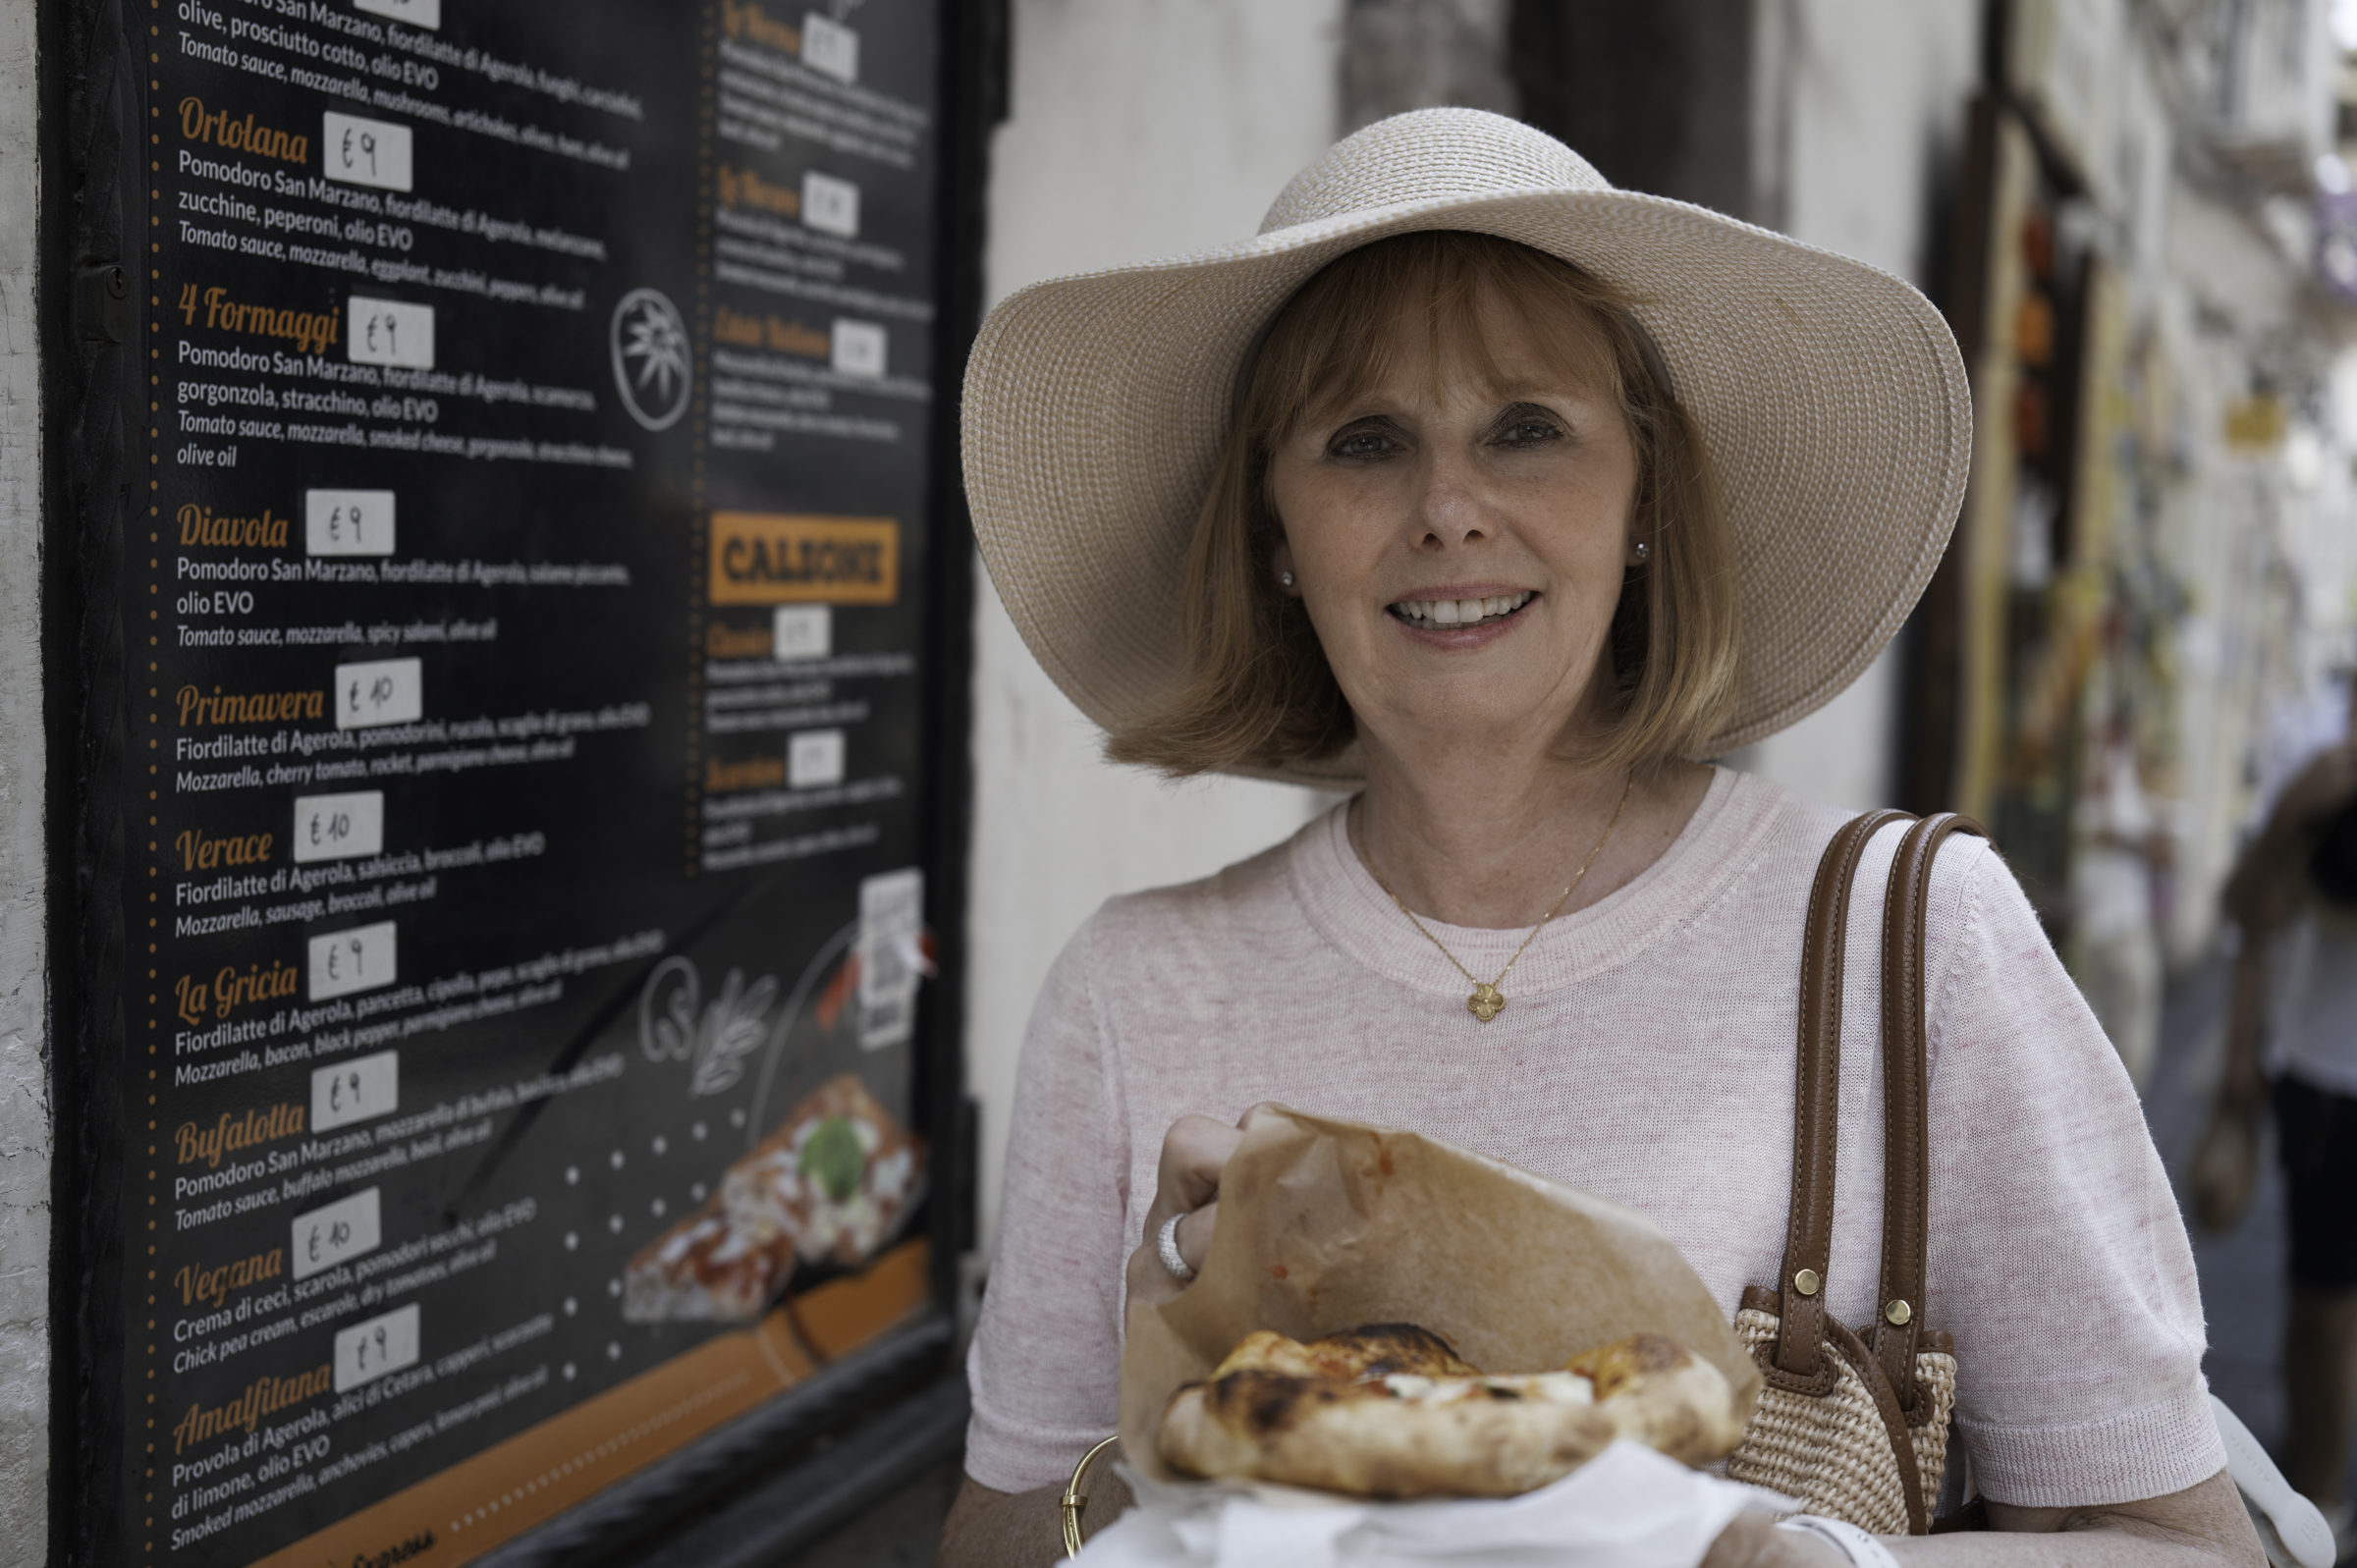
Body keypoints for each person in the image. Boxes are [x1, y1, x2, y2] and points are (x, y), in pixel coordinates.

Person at [941, 110, 2260, 1567]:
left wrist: (1819, 1562)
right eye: (1365, 441)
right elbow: (994, 1537)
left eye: (1527, 428)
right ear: (1273, 529)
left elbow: (2182, 1545)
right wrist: (1159, 1440)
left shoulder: (1914, 939)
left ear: (1642, 499)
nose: (1449, 511)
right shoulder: (1132, 991)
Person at [2198, 676, 2357, 1549]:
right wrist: (2307, 800)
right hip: (2326, 1077)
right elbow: (2244, 916)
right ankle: (2320, 1498)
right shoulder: (2313, 740)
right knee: (2323, 1306)